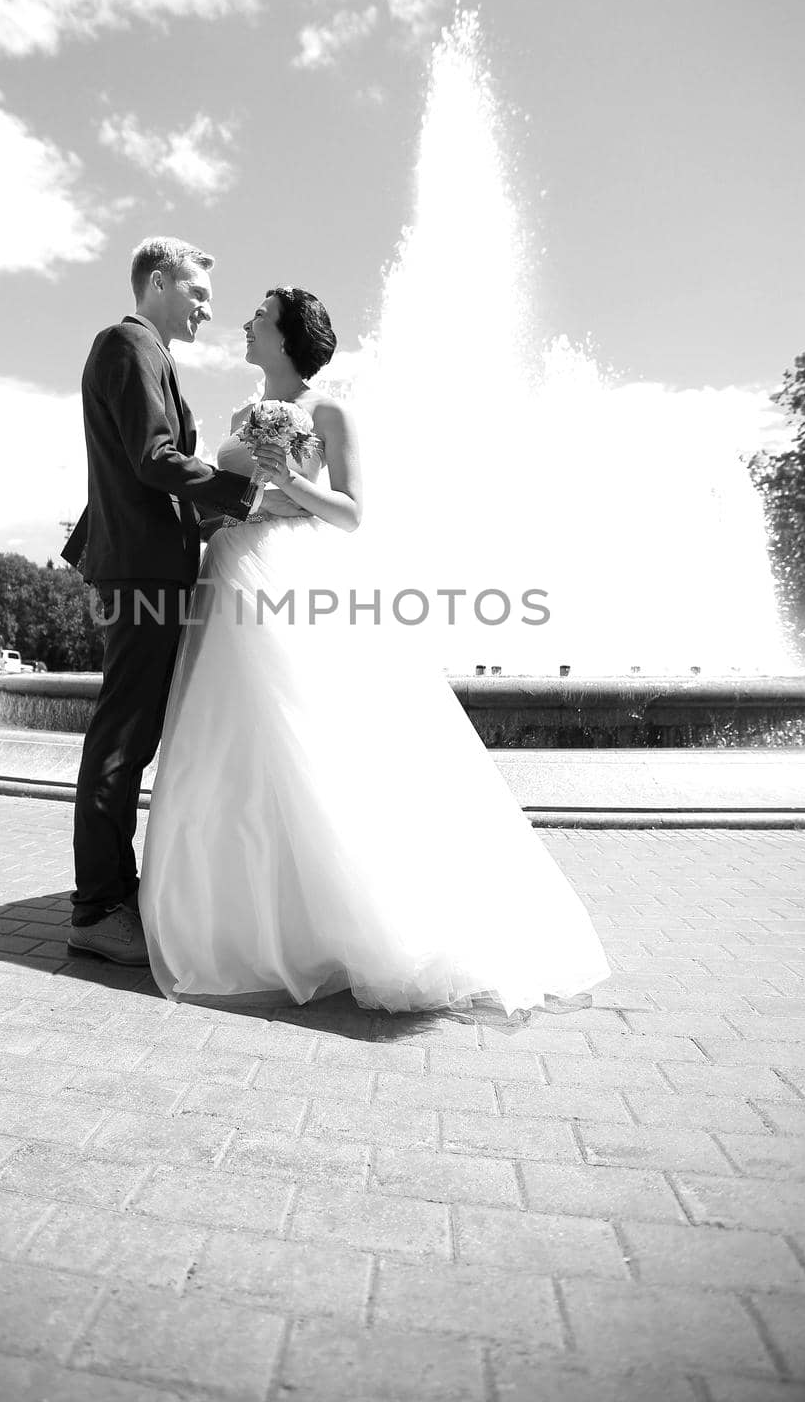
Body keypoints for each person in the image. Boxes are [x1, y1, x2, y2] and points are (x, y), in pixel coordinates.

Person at [138, 287, 610, 1013]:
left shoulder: (329, 411)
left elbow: (351, 513)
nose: (244, 324)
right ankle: (249, 918)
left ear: (289, 336)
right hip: (228, 573)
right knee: (232, 742)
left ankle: (355, 917)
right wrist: (208, 519)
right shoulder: (235, 415)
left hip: (295, 575)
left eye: (258, 319)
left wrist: (287, 478)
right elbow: (225, 497)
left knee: (314, 736)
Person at [64, 235, 261, 964]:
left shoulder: (147, 352)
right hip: (143, 573)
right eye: (197, 295)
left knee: (134, 736)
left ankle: (112, 890)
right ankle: (98, 908)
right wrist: (247, 495)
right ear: (156, 283)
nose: (208, 310)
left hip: (149, 566)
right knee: (123, 739)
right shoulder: (128, 344)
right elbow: (152, 460)